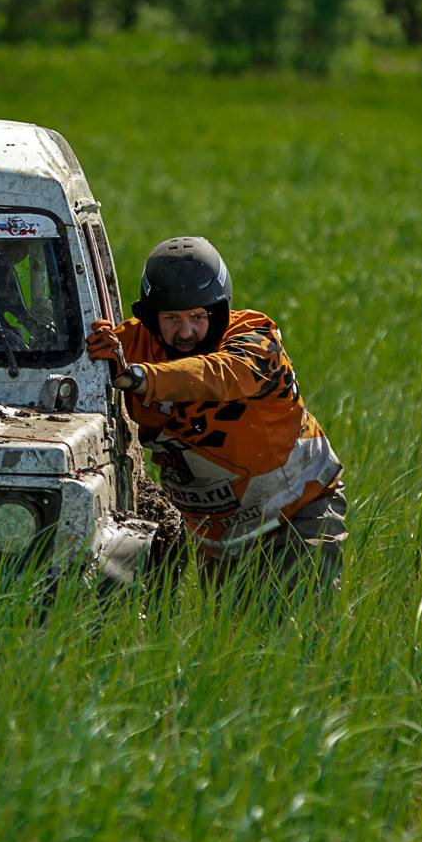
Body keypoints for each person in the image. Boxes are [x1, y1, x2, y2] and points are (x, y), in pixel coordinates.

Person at [86, 236, 346, 592]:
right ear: (151, 318)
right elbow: (81, 358)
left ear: (219, 311)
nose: (186, 332)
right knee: (231, 638)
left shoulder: (256, 338)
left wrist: (139, 377)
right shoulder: (132, 345)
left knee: (292, 631)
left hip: (298, 511)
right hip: (219, 538)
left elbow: (219, 374)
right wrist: (95, 347)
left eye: (197, 317)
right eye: (171, 318)